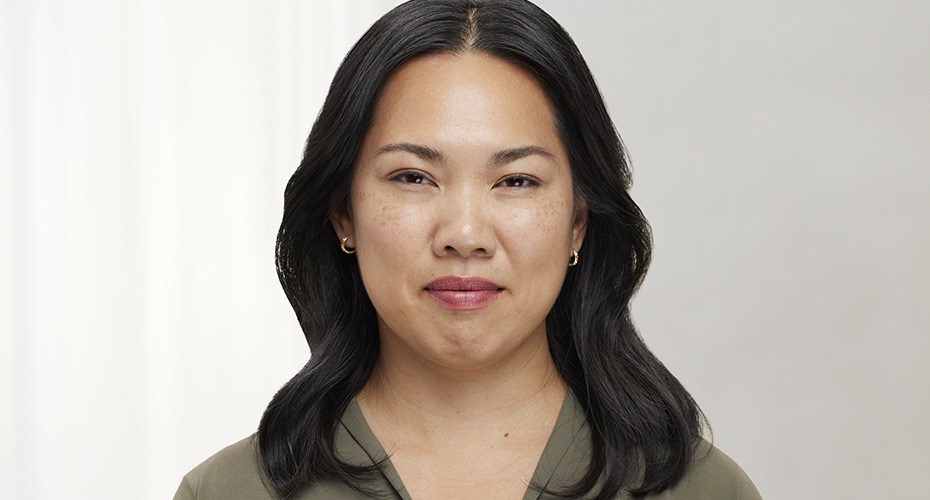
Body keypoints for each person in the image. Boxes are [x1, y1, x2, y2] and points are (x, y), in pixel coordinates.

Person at [173, 1, 762, 499]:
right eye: (412, 177)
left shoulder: (700, 489)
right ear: (342, 214)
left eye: (516, 181)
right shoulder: (231, 491)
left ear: (578, 222)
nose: (464, 234)